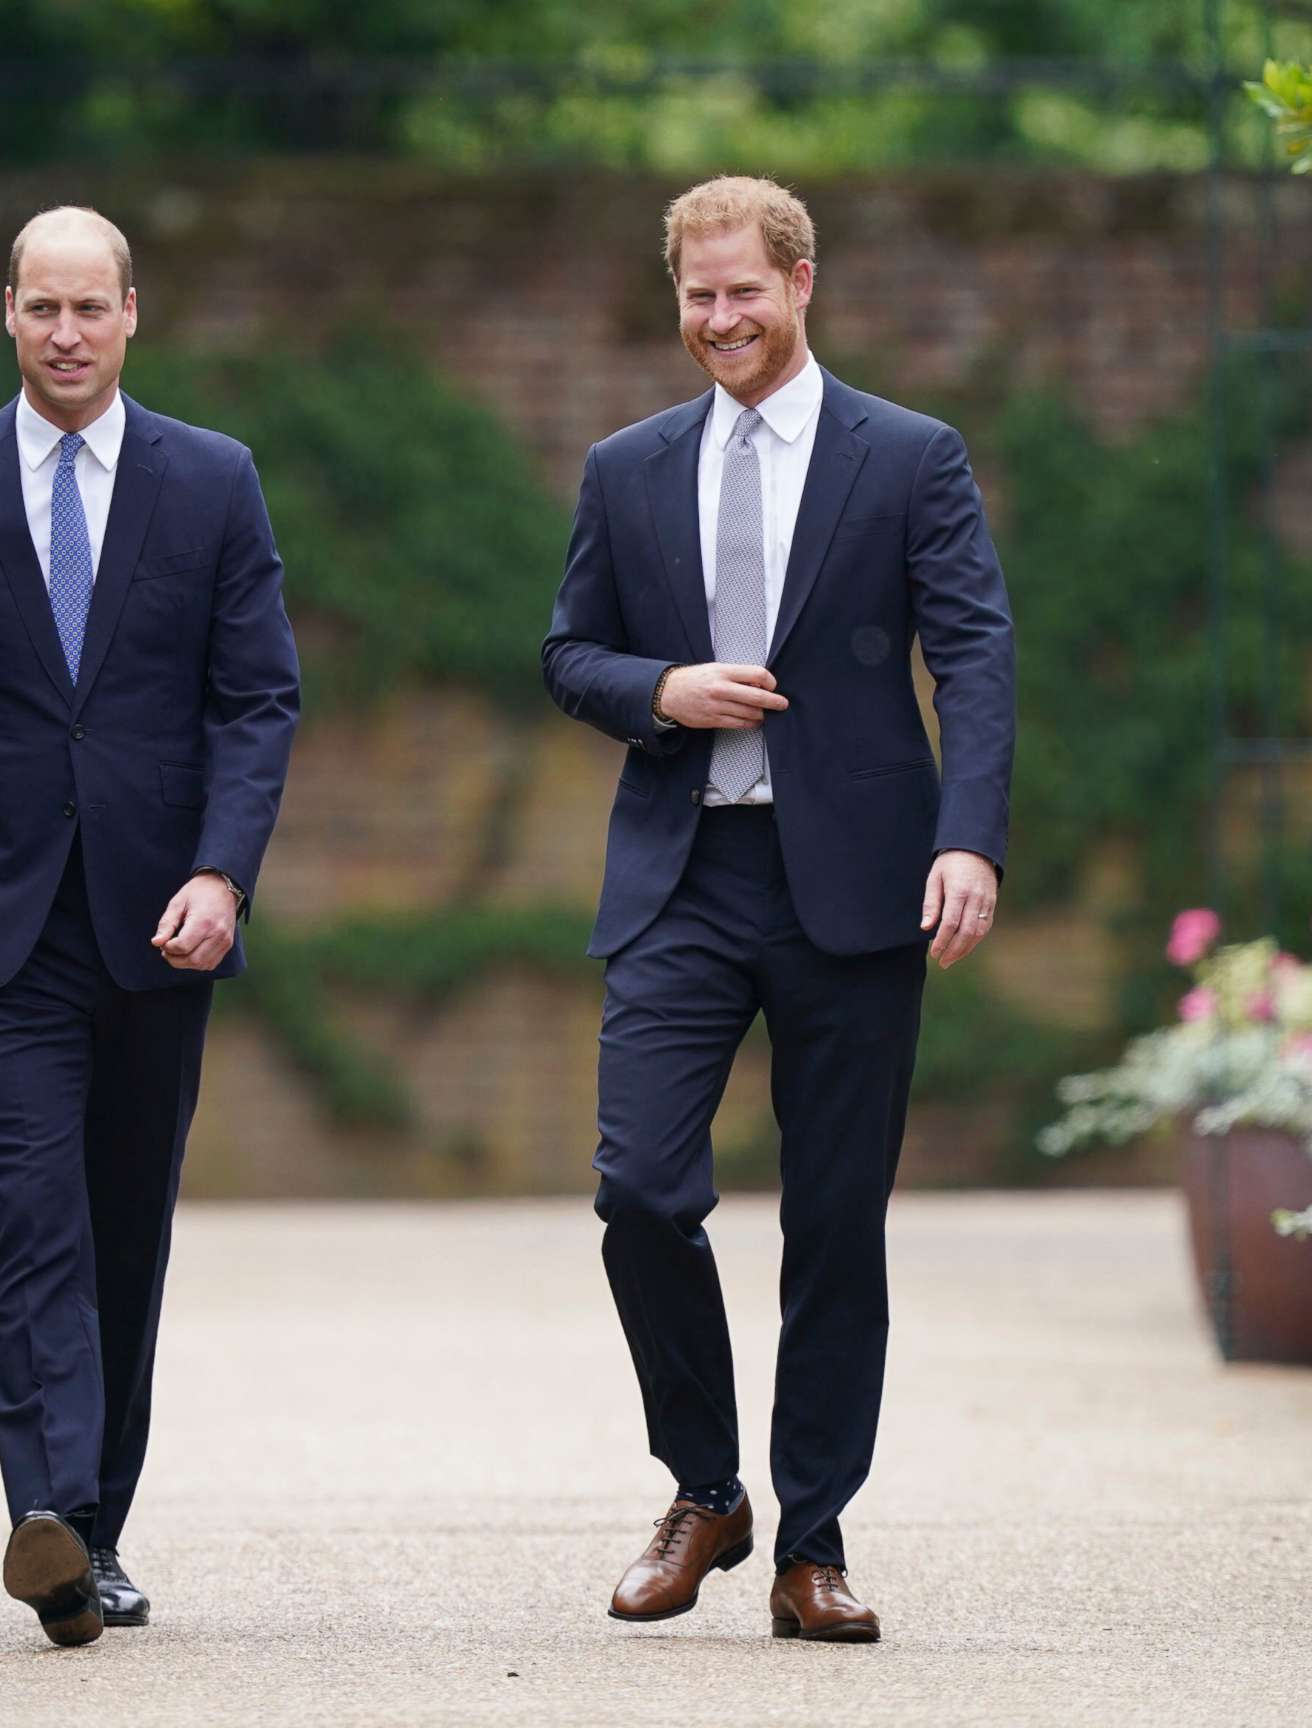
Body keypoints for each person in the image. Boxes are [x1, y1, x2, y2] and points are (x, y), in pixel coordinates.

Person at [540, 175, 1014, 1643]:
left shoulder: (909, 456)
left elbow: (978, 654)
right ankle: (706, 1488)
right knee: (639, 1189)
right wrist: (658, 690)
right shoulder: (627, 468)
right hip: (684, 873)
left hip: (859, 886)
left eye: (744, 290)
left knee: (835, 1224)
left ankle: (813, 1543)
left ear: (802, 283)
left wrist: (969, 841)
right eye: (697, 294)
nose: (720, 319)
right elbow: (570, 655)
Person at [0, 205, 299, 1647]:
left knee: (123, 1233)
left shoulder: (214, 482)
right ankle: (46, 1513)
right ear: (6, 313)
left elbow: (258, 700)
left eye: (88, 309)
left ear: (131, 314)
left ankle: (93, 1532)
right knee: (34, 1220)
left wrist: (224, 874)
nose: (65, 334)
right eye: (41, 309)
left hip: (161, 925)